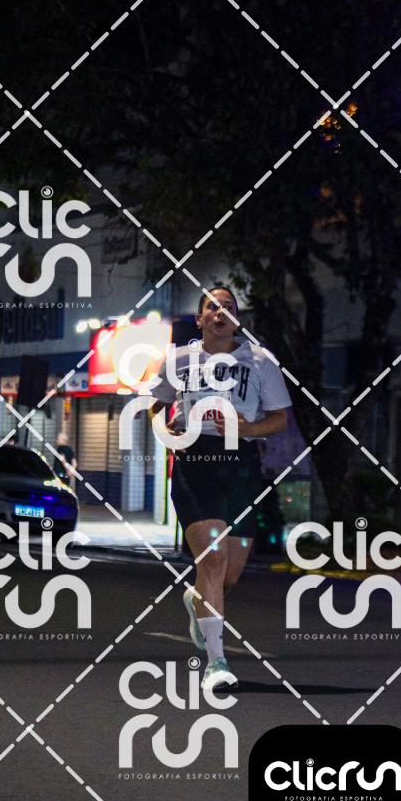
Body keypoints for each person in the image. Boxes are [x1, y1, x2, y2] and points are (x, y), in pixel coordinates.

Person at [150, 286, 291, 692]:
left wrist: (247, 428)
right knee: (212, 560)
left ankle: (195, 599)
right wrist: (168, 434)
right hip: (195, 460)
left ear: (236, 320)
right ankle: (216, 662)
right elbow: (155, 406)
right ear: (200, 319)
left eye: (229, 307)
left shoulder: (260, 361)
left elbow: (279, 419)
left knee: (228, 575)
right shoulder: (179, 359)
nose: (220, 312)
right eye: (213, 307)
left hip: (242, 464)